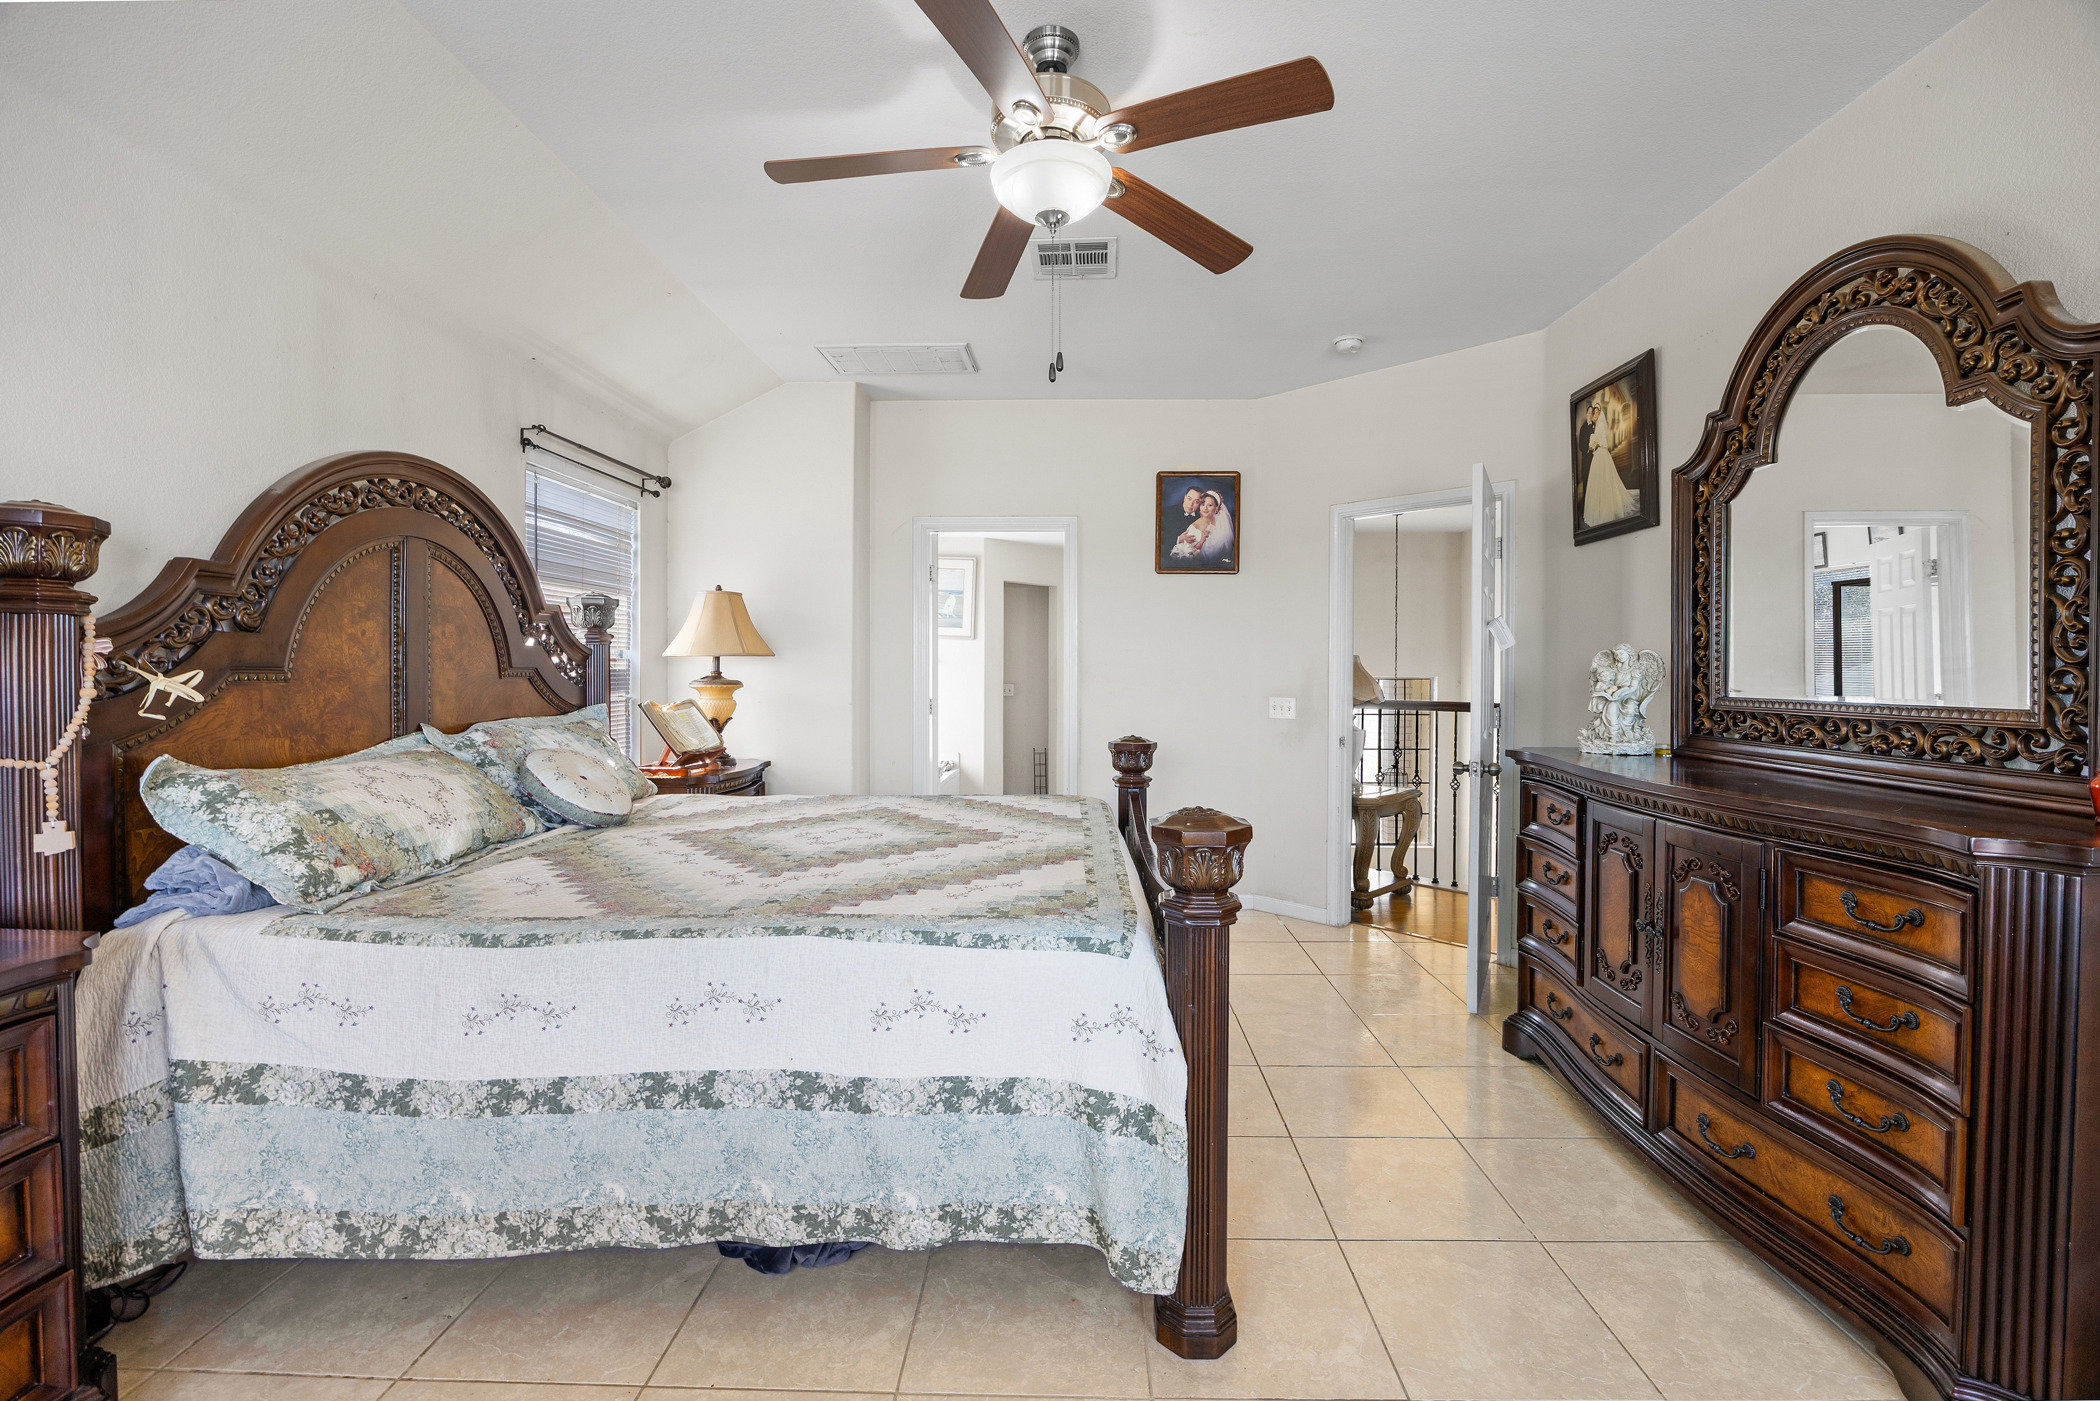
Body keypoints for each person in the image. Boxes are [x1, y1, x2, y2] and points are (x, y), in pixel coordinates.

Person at [1581, 401, 1635, 527]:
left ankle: (1605, 510)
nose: (1595, 414)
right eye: (1593, 413)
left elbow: (1605, 444)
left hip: (1602, 455)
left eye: (1596, 412)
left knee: (1605, 481)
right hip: (1597, 455)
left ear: (1600, 413)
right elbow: (1595, 444)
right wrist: (1592, 444)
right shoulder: (1596, 426)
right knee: (1598, 482)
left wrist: (1595, 443)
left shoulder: (1601, 426)